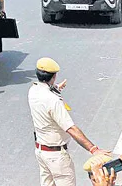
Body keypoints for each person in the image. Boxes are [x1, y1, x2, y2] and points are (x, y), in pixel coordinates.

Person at [28, 58, 109, 186]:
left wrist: (56, 88)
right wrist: (94, 149)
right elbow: (71, 129)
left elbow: (46, 91)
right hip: (56, 157)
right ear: (54, 76)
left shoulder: (33, 91)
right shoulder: (53, 101)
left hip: (41, 152)